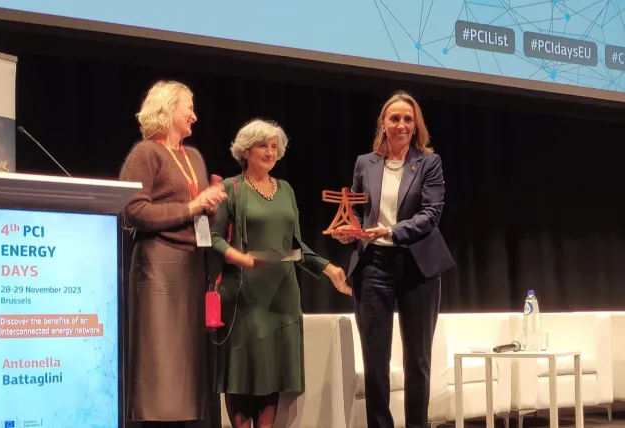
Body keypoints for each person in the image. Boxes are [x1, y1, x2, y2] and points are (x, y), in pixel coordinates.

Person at [209, 119, 351, 428]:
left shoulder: (285, 190)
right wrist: (238, 257)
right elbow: (214, 237)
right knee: (242, 374)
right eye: (263, 145)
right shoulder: (230, 188)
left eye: (274, 146)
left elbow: (296, 246)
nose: (270, 152)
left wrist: (328, 268)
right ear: (245, 150)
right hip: (244, 296)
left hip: (282, 296)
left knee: (272, 374)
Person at [332, 91, 455, 428]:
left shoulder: (429, 162)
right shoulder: (365, 163)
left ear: (416, 126)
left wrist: (389, 231)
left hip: (418, 267)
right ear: (383, 124)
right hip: (374, 266)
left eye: (408, 119)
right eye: (395, 118)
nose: (401, 125)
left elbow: (431, 214)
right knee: (375, 361)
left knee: (417, 360)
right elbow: (357, 210)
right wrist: (351, 230)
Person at [119, 80, 227, 427]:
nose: (195, 115)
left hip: (192, 264)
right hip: (159, 265)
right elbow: (133, 211)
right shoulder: (145, 153)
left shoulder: (193, 157)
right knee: (160, 361)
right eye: (189, 107)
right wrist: (192, 206)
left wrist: (210, 204)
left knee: (186, 364)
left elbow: (198, 214)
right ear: (167, 108)